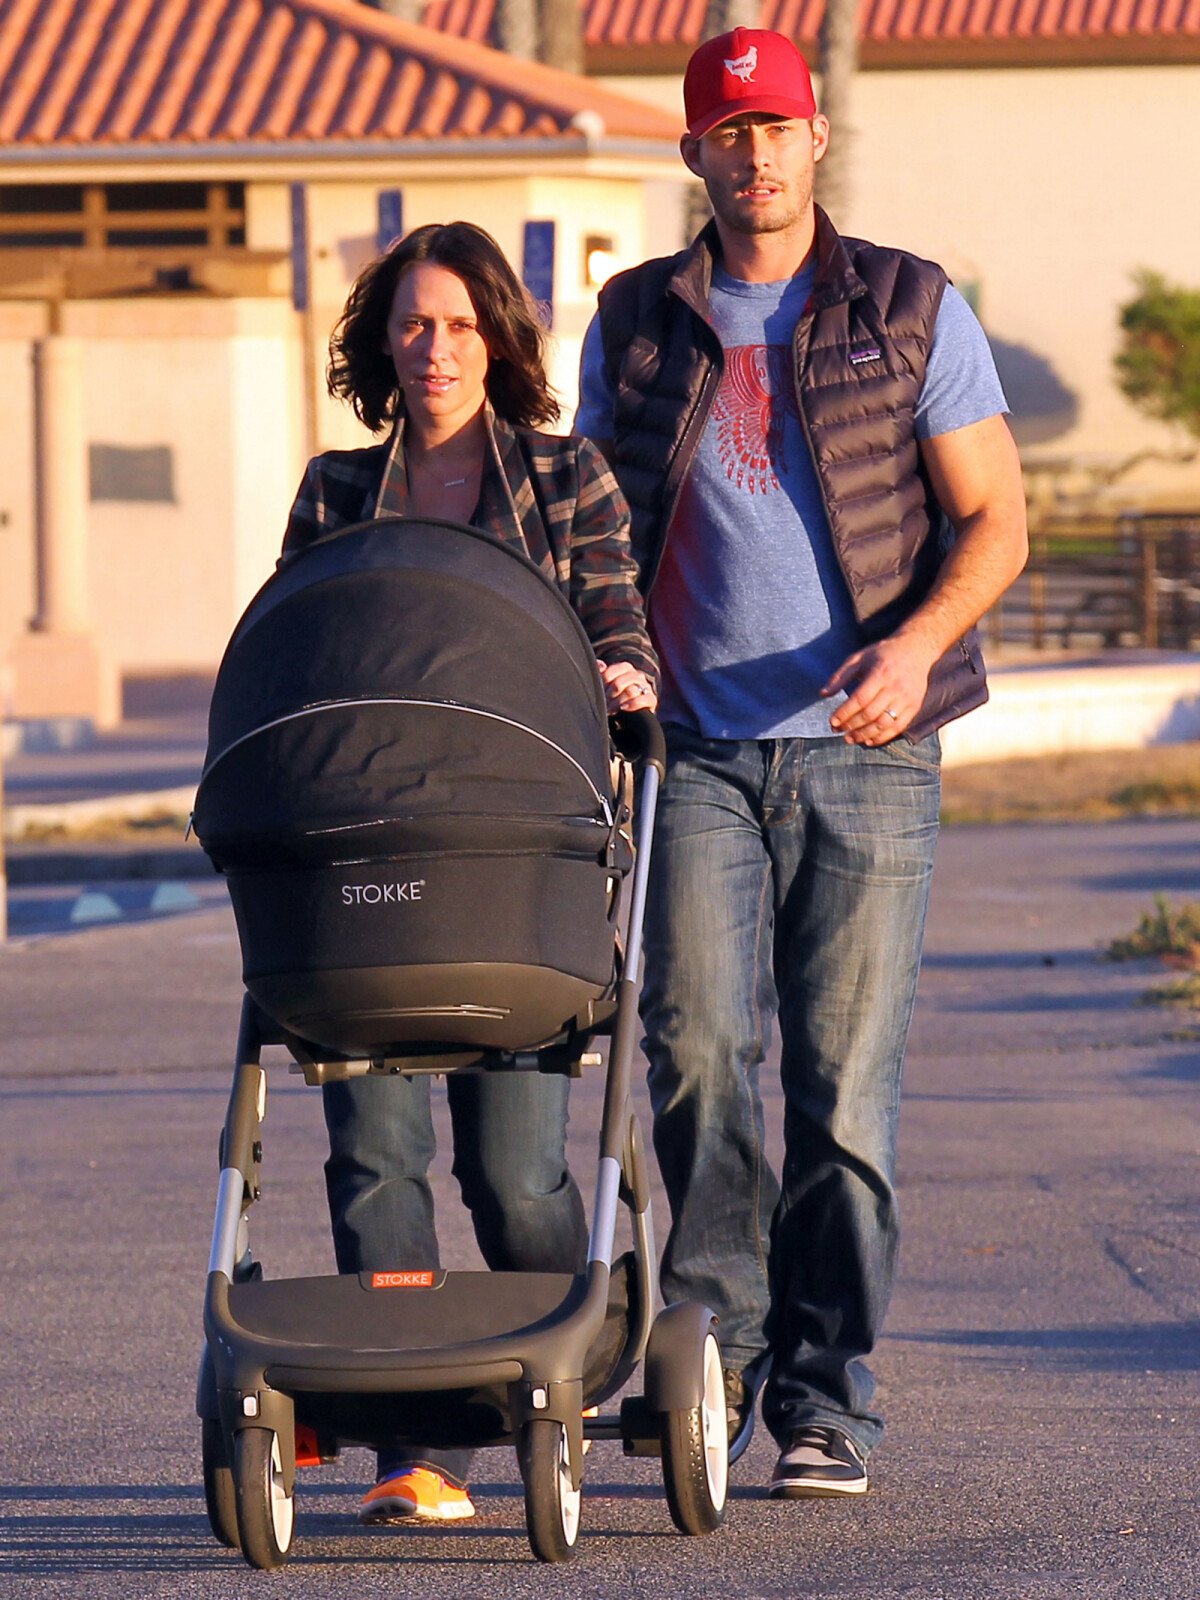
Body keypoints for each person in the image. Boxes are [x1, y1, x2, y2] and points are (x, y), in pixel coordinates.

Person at [574, 29, 1028, 1499]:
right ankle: (720, 1356)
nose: (755, 152)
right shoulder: (639, 317)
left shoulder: (906, 303)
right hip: (696, 753)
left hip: (867, 751)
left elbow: (995, 524)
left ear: (815, 134)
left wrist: (912, 651)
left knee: (845, 1096)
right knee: (697, 1058)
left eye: (777, 125)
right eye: (727, 130)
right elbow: (596, 525)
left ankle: (829, 1401)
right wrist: (604, 652)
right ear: (694, 153)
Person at [284, 220, 657, 1524]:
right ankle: (408, 1448)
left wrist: (624, 675)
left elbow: (618, 614)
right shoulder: (336, 493)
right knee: (374, 1156)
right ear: (382, 344)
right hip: (373, 864)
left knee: (517, 1177)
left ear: (498, 334)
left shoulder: (567, 480)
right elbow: (297, 652)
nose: (436, 347)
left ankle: (580, 1352)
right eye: (412, 323)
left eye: (458, 322)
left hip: (521, 869)